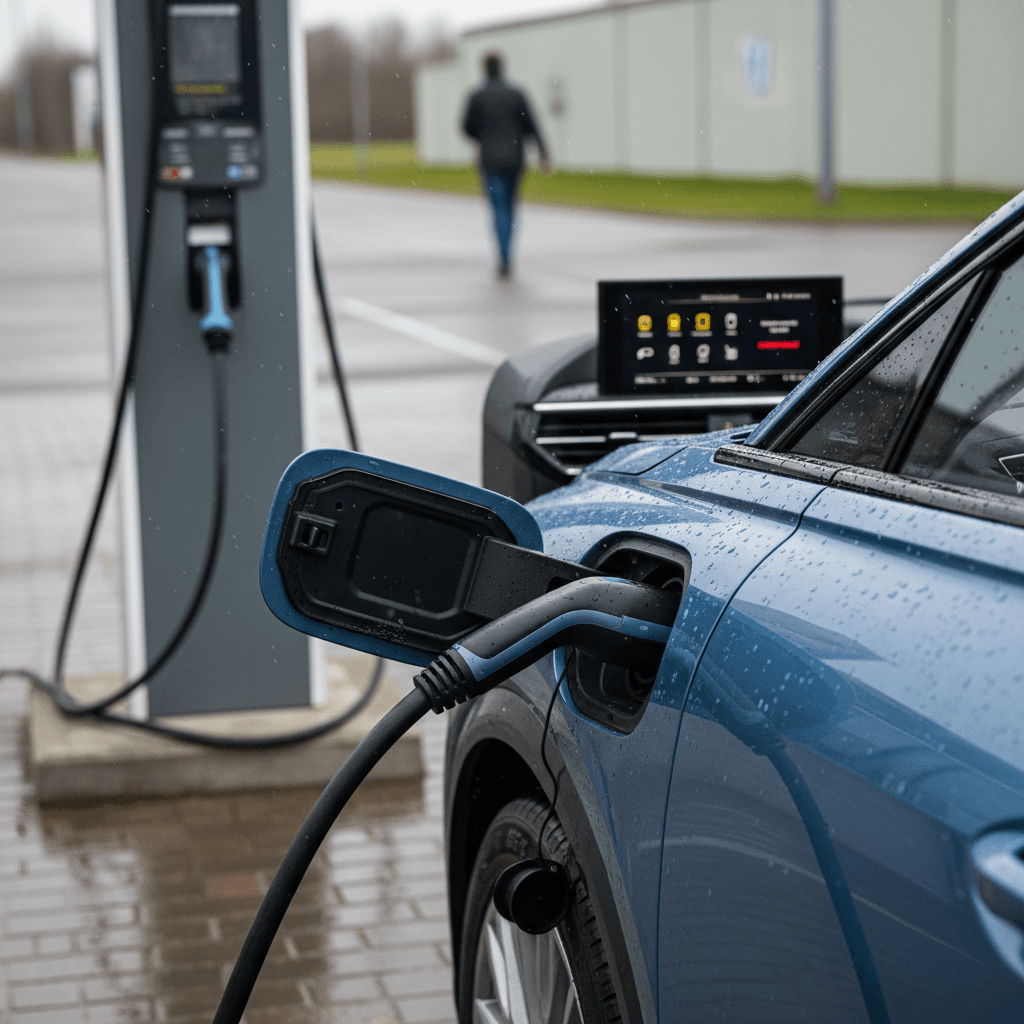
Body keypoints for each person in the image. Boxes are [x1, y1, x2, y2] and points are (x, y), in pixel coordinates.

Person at [462, 52, 550, 278]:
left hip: (490, 160)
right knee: (510, 207)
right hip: (514, 159)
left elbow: (466, 127)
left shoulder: (477, 96)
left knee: (498, 208)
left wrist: (483, 137)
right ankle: (508, 253)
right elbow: (532, 125)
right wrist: (543, 154)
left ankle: (503, 257)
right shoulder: (516, 94)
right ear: (503, 67)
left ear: (484, 68)